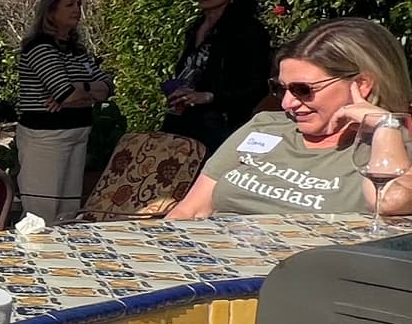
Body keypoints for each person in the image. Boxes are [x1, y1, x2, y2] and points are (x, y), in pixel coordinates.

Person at [167, 18, 412, 221]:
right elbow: (190, 210)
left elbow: (389, 202)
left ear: (361, 84)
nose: (287, 103)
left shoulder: (392, 148)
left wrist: (384, 126)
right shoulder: (265, 126)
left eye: (303, 89)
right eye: (280, 88)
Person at [15, 0, 114, 225]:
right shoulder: (40, 48)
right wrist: (83, 94)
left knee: (68, 211)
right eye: (69, 5)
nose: (76, 10)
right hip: (47, 137)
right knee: (42, 211)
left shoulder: (76, 50)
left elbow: (107, 86)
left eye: (79, 4)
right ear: (51, 11)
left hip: (77, 132)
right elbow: (65, 93)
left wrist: (82, 90)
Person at [162, 0, 273, 153]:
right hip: (182, 120)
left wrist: (209, 97)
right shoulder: (196, 27)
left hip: (220, 127)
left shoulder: (249, 32)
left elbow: (258, 87)